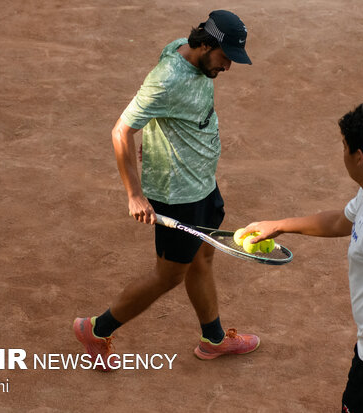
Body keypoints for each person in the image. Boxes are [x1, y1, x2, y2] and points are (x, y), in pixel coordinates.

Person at [73, 10, 259, 370]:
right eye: (225, 57)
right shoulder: (167, 78)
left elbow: (160, 115)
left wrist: (157, 139)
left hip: (202, 183)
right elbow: (121, 131)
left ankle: (214, 339)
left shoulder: (181, 49)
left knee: (202, 258)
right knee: (168, 275)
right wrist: (134, 194)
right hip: (178, 195)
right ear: (205, 45)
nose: (228, 67)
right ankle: (96, 330)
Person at [242, 103, 363, 412]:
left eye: (344, 146)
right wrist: (278, 226)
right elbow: (339, 222)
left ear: (359, 157)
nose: (342, 153)